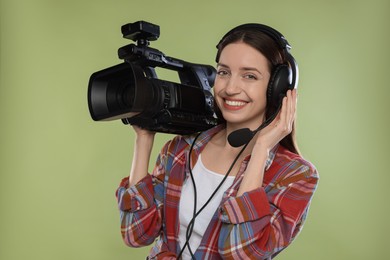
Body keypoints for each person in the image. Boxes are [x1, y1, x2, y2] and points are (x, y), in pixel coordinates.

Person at [115, 23, 319, 259]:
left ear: (278, 88)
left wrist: (261, 149)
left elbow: (241, 253)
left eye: (249, 76)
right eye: (223, 72)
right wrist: (143, 137)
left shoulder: (296, 175)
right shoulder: (181, 150)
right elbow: (135, 234)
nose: (230, 88)